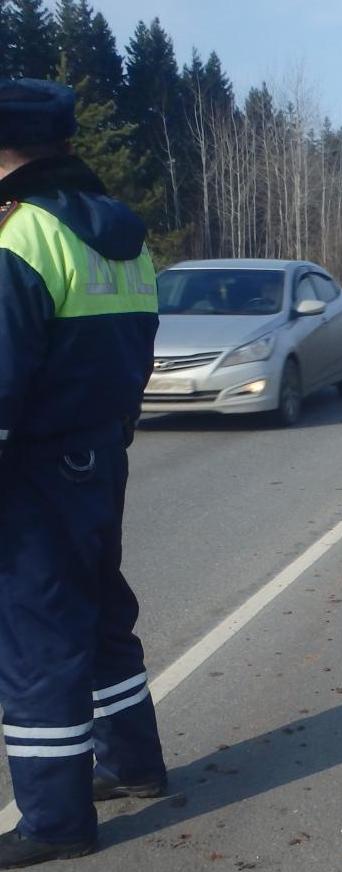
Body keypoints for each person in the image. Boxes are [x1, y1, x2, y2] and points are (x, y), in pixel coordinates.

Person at [0, 79, 166, 867]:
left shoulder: (20, 237)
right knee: (99, 616)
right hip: (102, 454)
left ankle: (56, 822)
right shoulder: (125, 238)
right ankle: (134, 765)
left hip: (34, 467)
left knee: (38, 641)